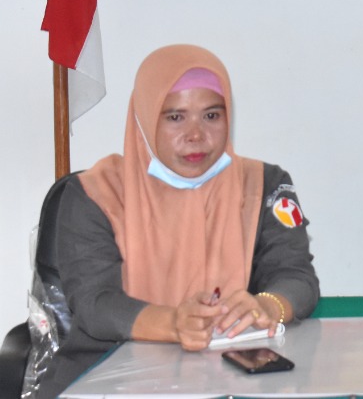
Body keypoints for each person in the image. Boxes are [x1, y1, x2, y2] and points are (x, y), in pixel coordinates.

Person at [29, 45, 319, 398]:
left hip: (231, 376)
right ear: (146, 117)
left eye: (211, 115)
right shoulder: (96, 193)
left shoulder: (263, 184)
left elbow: (296, 275)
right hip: (104, 376)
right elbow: (95, 304)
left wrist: (268, 305)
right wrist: (174, 323)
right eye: (175, 117)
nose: (196, 135)